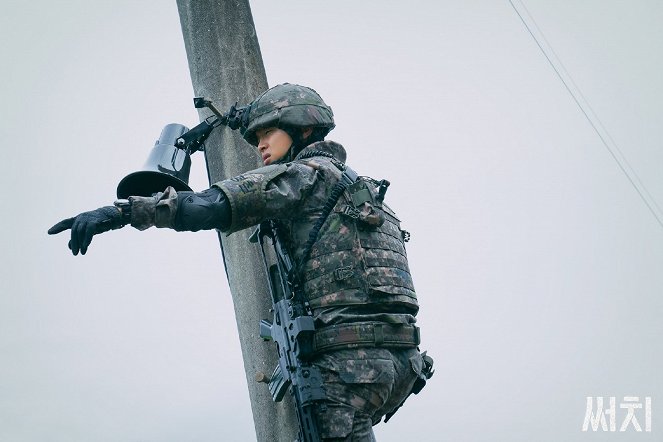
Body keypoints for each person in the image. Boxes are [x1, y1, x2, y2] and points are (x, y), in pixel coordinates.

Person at [49, 83, 430, 440]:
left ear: (300, 129)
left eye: (268, 133)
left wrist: (121, 214)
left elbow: (211, 206)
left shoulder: (305, 177)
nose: (259, 146)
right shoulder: (362, 189)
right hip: (400, 364)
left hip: (347, 366)